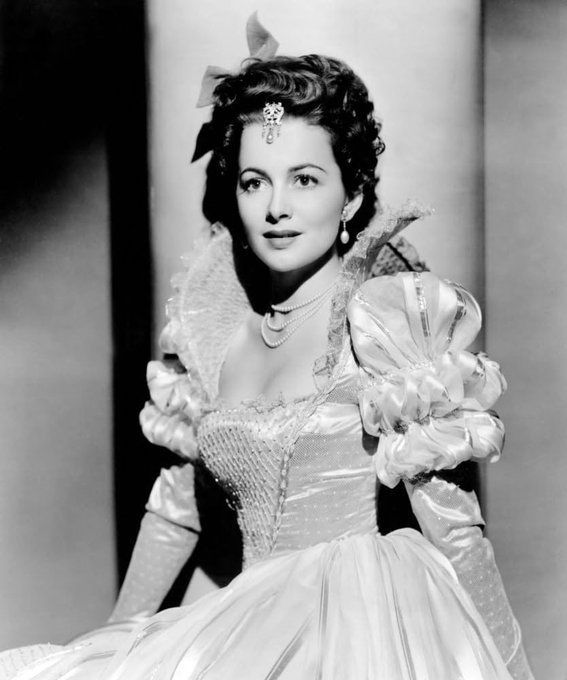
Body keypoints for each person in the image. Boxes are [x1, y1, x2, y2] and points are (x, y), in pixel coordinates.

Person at [0, 15, 534, 680]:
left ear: (352, 197)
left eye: (304, 179)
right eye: (255, 181)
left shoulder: (384, 320)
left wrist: (515, 671)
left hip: (361, 627)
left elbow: (455, 529)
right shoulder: (212, 326)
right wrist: (109, 646)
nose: (275, 207)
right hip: (245, 628)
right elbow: (177, 509)